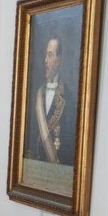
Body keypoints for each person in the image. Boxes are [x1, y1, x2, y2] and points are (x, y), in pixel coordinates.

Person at [26, 35, 76, 165]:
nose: (45, 60)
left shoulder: (69, 97)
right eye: (45, 55)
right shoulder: (36, 94)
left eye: (50, 55)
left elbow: (70, 144)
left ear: (58, 60)